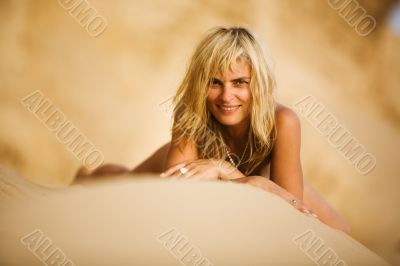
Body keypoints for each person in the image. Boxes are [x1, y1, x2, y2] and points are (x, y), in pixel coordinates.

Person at [75, 26, 350, 234]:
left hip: (264, 178)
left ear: (259, 84)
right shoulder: (191, 110)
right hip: (194, 165)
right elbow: (174, 190)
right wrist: (246, 180)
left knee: (341, 234)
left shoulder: (283, 120)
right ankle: (86, 177)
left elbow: (290, 211)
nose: (226, 96)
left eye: (240, 82)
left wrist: (227, 170)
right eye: (215, 82)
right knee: (126, 180)